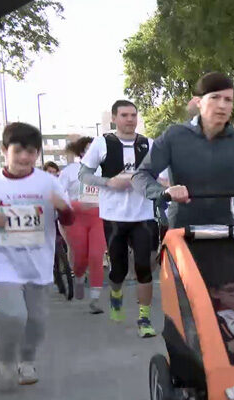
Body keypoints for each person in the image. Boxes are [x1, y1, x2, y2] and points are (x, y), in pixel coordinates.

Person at [0, 122, 74, 389]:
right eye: (18, 151)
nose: (25, 158)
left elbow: (69, 218)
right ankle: (6, 361)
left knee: (37, 320)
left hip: (38, 261)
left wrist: (63, 209)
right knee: (14, 315)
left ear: (38, 154)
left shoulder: (48, 182)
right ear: (4, 150)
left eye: (31, 152)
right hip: (3, 259)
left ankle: (27, 360)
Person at [133, 72, 234, 229]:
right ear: (198, 102)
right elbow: (140, 176)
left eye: (228, 100)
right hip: (182, 230)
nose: (222, 105)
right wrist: (163, 192)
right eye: (215, 97)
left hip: (224, 230)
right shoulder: (174, 135)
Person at [78, 100, 157, 337]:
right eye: (124, 115)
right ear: (114, 118)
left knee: (144, 267)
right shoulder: (102, 143)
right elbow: (84, 174)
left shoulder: (149, 144)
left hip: (143, 215)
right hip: (114, 216)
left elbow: (163, 175)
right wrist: (108, 182)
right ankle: (115, 294)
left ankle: (144, 319)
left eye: (133, 115)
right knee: (119, 270)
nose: (130, 119)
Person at [57, 136, 105, 314]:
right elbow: (59, 193)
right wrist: (74, 205)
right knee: (80, 256)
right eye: (88, 149)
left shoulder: (106, 169)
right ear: (82, 152)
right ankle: (78, 276)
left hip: (99, 217)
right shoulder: (70, 171)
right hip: (76, 218)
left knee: (96, 256)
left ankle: (95, 299)